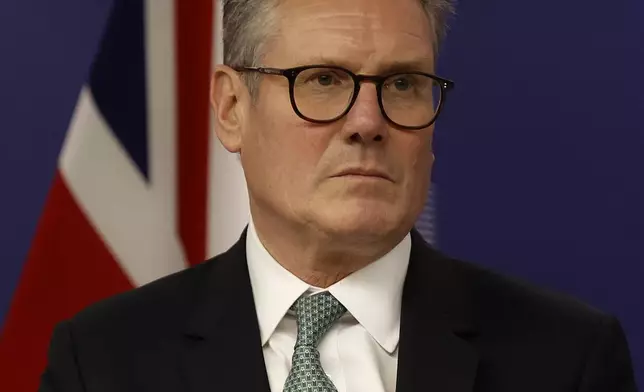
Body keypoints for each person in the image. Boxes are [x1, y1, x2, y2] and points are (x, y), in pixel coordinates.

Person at [39, 0, 637, 390]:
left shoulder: (568, 362)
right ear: (230, 108)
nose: (367, 122)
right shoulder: (102, 364)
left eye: (403, 83)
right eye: (323, 80)